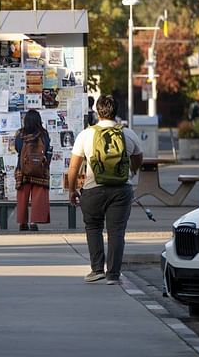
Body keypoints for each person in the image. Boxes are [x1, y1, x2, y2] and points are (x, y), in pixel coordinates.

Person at [67, 95, 143, 285]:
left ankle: (97, 269)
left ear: (98, 111)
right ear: (116, 111)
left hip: (93, 189)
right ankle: (113, 275)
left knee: (93, 228)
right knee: (116, 231)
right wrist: (131, 171)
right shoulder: (128, 134)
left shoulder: (86, 135)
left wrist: (72, 189)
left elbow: (74, 167)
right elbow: (138, 158)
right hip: (121, 190)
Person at [14, 109, 52, 231]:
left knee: (22, 196)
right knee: (38, 195)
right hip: (40, 169)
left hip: (23, 169)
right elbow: (47, 149)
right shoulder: (44, 134)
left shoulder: (20, 134)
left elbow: (18, 149)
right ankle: (34, 221)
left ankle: (22, 222)